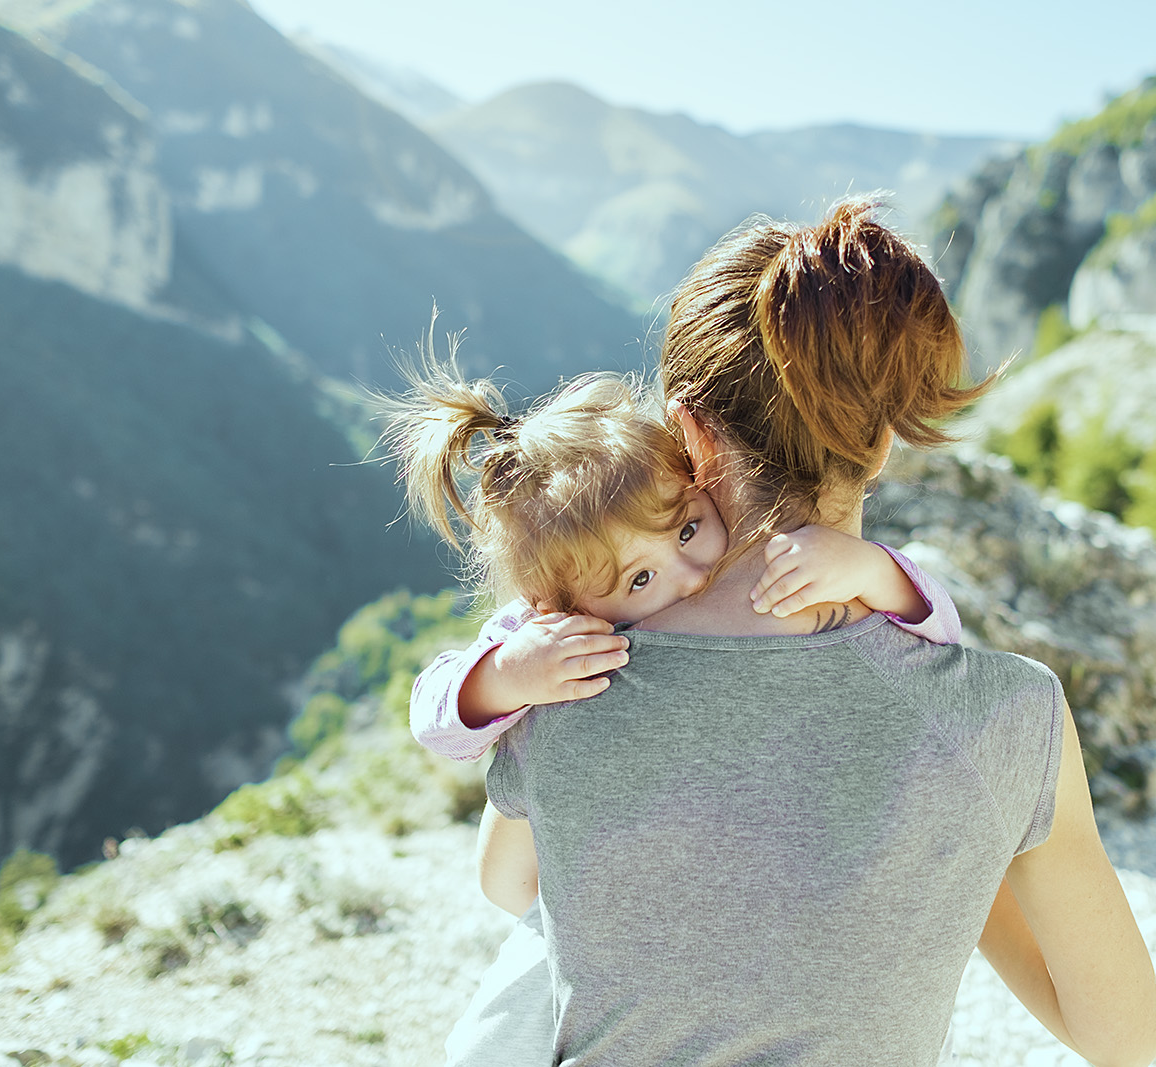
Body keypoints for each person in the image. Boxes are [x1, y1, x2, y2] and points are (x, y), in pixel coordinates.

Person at [472, 197, 1156, 1066]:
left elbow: (511, 886)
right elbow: (1125, 1042)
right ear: (879, 442)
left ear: (687, 433)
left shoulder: (565, 678)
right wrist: (952, 841)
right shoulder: (1008, 714)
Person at [386, 360, 967, 1063]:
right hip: (579, 893)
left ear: (698, 478)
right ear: (564, 607)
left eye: (689, 529)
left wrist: (872, 570)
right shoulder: (548, 634)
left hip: (728, 884)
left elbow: (942, 632)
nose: (688, 576)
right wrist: (507, 675)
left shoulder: (774, 574)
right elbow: (433, 716)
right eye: (639, 578)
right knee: (500, 1036)